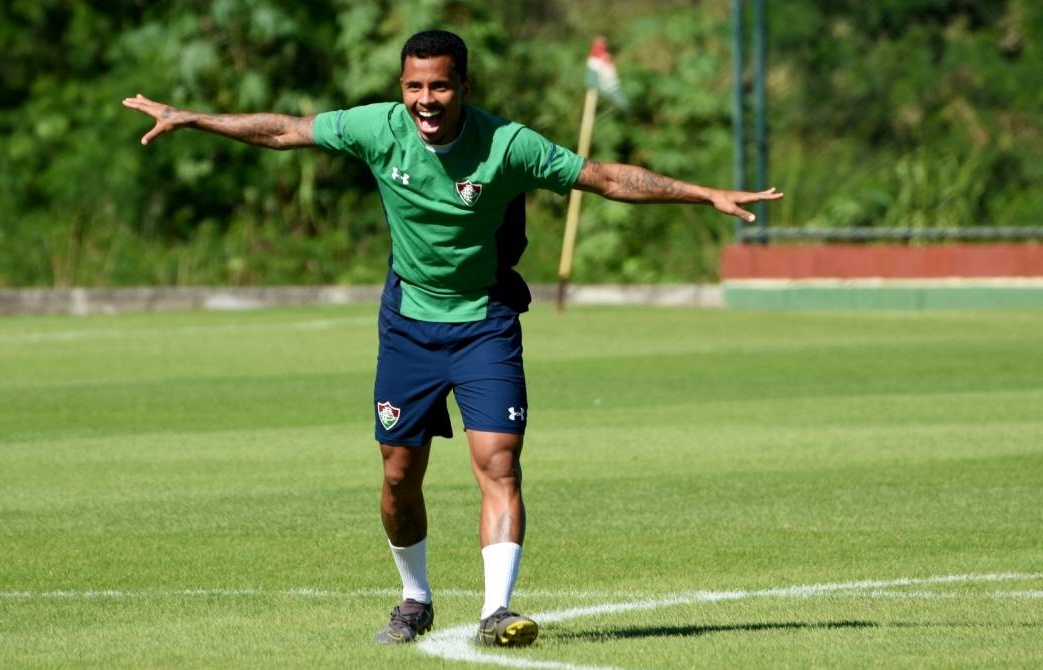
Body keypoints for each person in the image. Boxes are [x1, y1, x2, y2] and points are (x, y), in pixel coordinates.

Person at [123, 29, 782, 648]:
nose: (425, 101)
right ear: (402, 87)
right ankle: (414, 599)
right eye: (415, 87)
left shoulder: (508, 145)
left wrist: (703, 194)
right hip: (408, 326)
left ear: (463, 86)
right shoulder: (377, 128)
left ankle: (497, 611)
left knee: (499, 464)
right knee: (398, 477)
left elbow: (605, 178)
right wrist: (191, 117)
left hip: (485, 324)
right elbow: (283, 131)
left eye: (439, 87)